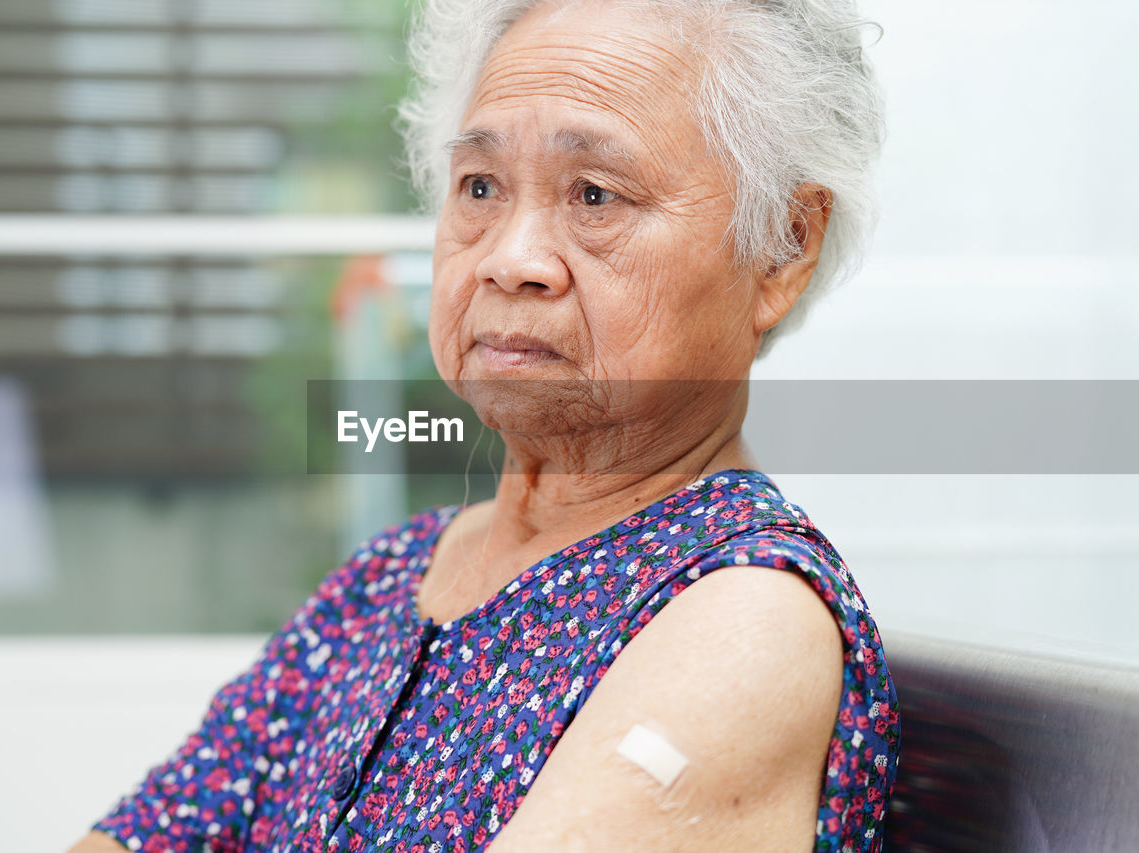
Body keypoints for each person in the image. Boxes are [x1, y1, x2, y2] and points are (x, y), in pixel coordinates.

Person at [69, 0, 898, 849]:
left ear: (783, 247)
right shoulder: (386, 581)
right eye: (480, 187)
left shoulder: (742, 618)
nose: (510, 257)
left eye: (594, 194)